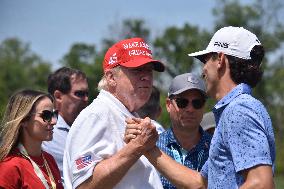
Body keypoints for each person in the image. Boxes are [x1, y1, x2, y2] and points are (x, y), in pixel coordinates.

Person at [125, 26, 275, 188]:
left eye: (206, 60)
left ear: (220, 60)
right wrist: (149, 148)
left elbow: (261, 183)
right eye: (183, 102)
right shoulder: (236, 109)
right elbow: (201, 182)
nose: (203, 70)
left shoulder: (239, 109)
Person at [63, 37, 165, 189]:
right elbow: (84, 186)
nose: (146, 76)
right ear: (111, 77)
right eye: (137, 70)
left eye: (149, 70)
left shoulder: (126, 113)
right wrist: (137, 147)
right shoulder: (97, 115)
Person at [156, 73, 212, 188]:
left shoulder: (217, 148)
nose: (190, 109)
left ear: (204, 106)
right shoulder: (154, 146)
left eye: (197, 103)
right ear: (168, 105)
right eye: (182, 102)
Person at [0, 89, 63, 189]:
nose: (54, 121)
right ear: (24, 120)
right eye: (46, 115)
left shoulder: (49, 159)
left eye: (54, 115)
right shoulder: (10, 166)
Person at [42, 67, 89, 180]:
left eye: (87, 93)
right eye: (80, 93)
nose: (86, 99)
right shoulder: (44, 130)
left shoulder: (90, 125)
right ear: (58, 96)